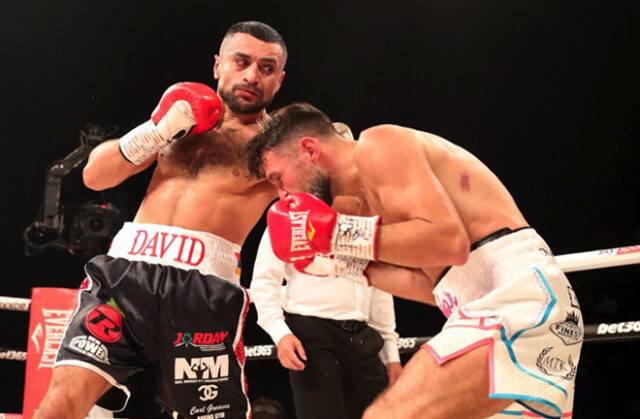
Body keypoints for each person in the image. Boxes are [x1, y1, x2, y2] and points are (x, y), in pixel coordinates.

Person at [244, 102, 584, 419]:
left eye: (278, 178)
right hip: (502, 308)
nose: (282, 195)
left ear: (309, 150)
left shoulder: (378, 145)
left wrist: (337, 235)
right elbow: (431, 287)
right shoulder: (369, 206)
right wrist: (339, 265)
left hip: (517, 302)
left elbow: (450, 244)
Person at [34, 21, 287, 419]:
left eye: (267, 68)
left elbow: (338, 183)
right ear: (219, 64)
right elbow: (94, 176)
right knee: (60, 404)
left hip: (203, 291)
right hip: (124, 276)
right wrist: (157, 130)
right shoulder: (180, 116)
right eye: (242, 61)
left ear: (280, 80)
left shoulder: (276, 146)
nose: (252, 75)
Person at [251, 224, 402, 419]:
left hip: (362, 336)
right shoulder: (288, 216)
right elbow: (265, 281)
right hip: (310, 335)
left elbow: (378, 283)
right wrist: (280, 333)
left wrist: (392, 356)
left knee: (382, 414)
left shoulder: (363, 213)